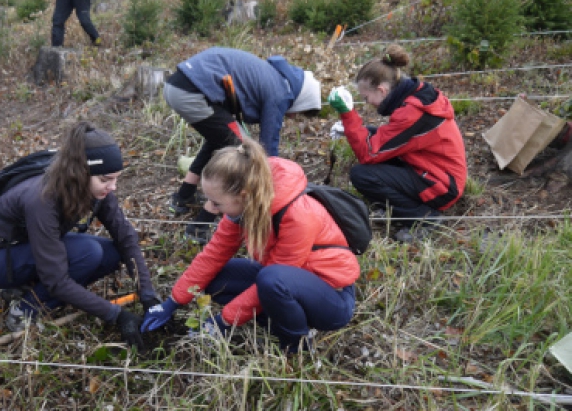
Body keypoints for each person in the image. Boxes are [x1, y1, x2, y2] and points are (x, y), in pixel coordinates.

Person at [140, 138, 359, 353]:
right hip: (284, 282)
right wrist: (172, 302)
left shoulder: (299, 215)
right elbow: (212, 256)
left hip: (332, 298)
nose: (211, 208)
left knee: (272, 280)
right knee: (217, 280)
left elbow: (280, 274)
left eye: (216, 203)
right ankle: (280, 322)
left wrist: (223, 321)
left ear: (242, 195)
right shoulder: (243, 208)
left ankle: (297, 344)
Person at [0, 121, 158, 349]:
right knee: (89, 254)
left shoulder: (95, 189)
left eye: (116, 178)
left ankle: (29, 286)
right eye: (105, 180)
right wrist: (117, 315)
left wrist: (148, 295)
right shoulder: (42, 199)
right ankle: (24, 310)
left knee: (111, 254)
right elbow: (56, 280)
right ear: (81, 173)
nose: (112, 187)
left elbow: (126, 238)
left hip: (26, 245)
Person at [164, 47, 322, 244]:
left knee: (219, 139)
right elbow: (267, 147)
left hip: (177, 86)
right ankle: (199, 227)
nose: (292, 116)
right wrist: (273, 182)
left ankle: (183, 197)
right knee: (243, 154)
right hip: (192, 93)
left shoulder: (273, 76)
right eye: (298, 112)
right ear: (301, 100)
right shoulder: (281, 92)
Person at [328, 44, 467, 243]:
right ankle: (397, 206)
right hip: (435, 171)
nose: (367, 103)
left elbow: (368, 153)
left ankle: (424, 218)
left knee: (362, 175)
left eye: (366, 97)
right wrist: (352, 130)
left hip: (441, 187)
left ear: (382, 90)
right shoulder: (417, 96)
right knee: (372, 136)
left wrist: (348, 115)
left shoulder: (411, 112)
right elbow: (388, 139)